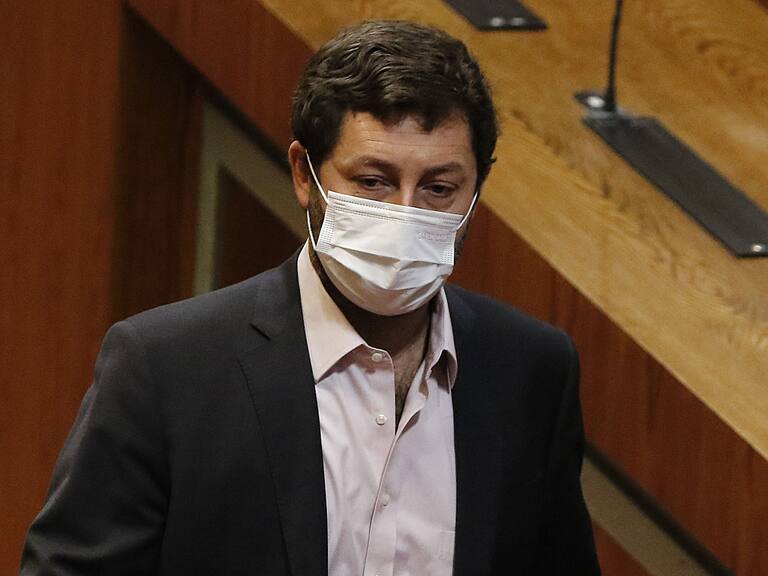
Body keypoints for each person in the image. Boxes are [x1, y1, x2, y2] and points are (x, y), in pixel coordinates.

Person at [21, 20, 600, 576]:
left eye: (439, 188)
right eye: (373, 181)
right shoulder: (166, 367)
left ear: (477, 190)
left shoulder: (532, 371)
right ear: (305, 173)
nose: (405, 213)